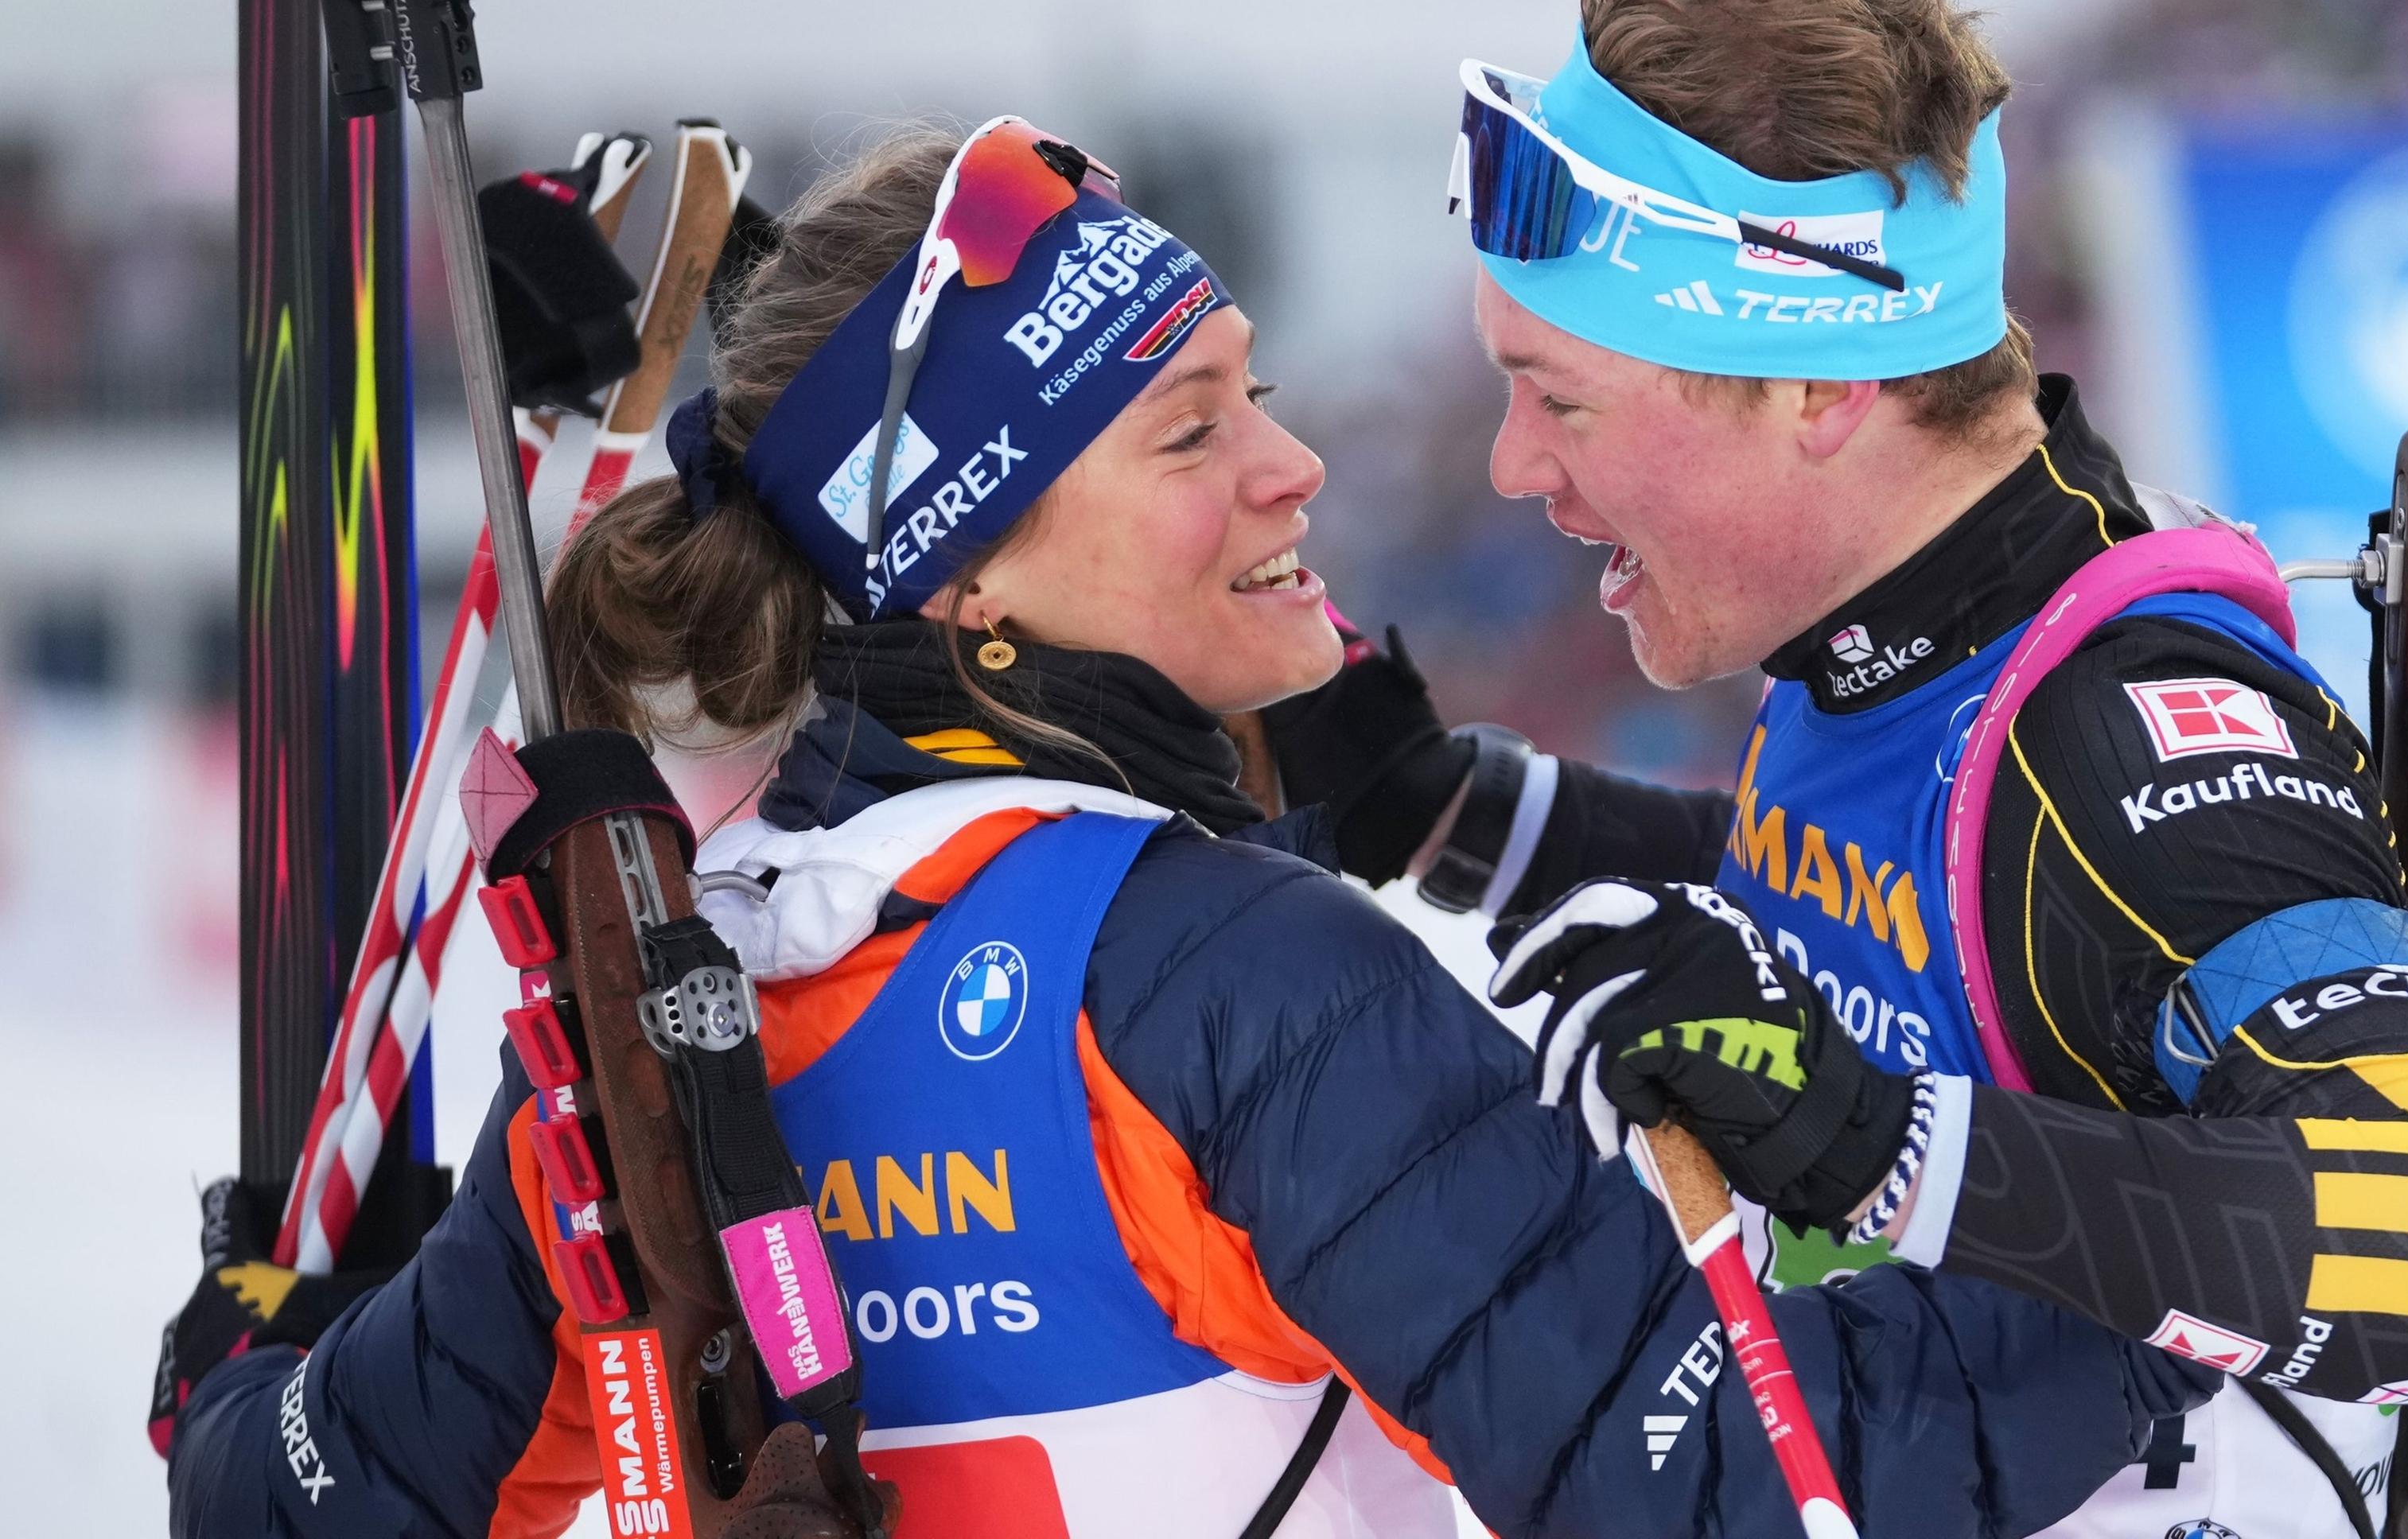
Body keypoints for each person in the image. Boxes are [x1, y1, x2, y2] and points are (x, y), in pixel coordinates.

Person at [154, 117, 2214, 1539]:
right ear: (962, 572)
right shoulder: (1226, 978)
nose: (1298, 467)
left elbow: (289, 1497)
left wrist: (265, 1351)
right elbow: (1737, 1483)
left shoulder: (672, 1011)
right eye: (1196, 429)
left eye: (1260, 392)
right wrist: (2182, 1261)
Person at [1275, 0, 2408, 1539]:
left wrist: (1876, 1136)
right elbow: (1905, 908)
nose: (1514, 467)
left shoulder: (2123, 735)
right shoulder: (1892, 646)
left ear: (1822, 388)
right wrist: (1449, 809)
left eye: (1561, 395)